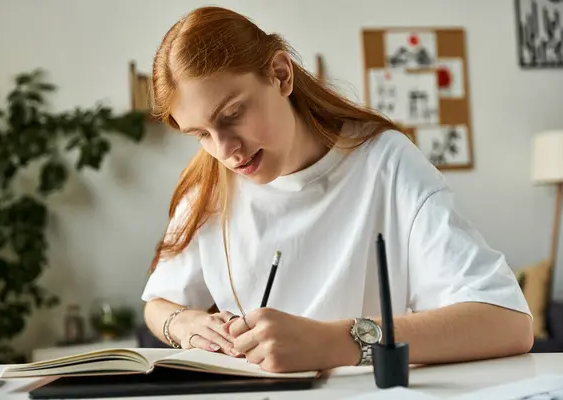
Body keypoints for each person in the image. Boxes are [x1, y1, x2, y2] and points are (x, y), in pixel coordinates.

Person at [141, 6, 533, 373]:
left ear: (280, 74)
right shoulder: (210, 182)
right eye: (201, 134)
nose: (225, 151)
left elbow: (508, 322)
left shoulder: (385, 162)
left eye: (232, 115)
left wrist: (335, 341)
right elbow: (157, 304)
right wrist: (182, 322)